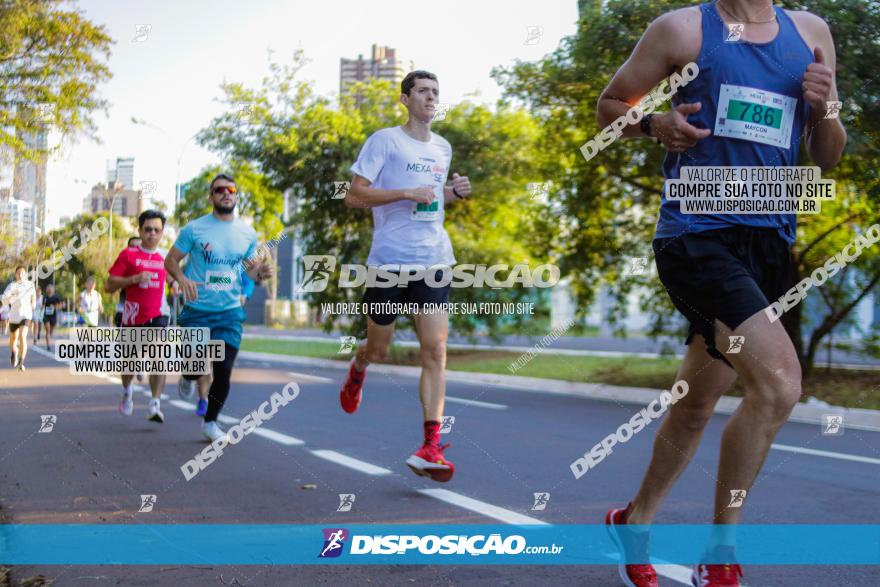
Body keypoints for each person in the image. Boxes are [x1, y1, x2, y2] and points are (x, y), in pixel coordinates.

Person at [596, 2, 846, 586]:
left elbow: (828, 154)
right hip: (696, 235)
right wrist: (652, 124)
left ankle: (634, 520)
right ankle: (722, 551)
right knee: (780, 384)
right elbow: (609, 108)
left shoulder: (811, 34)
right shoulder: (682, 29)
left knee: (696, 404)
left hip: (769, 245)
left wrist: (824, 104)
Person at [338, 70, 472, 483]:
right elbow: (353, 196)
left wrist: (455, 192)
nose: (432, 98)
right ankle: (359, 367)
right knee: (380, 349)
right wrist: (404, 192)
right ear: (405, 99)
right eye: (423, 92)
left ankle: (431, 445)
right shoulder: (385, 141)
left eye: (436, 91)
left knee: (435, 351)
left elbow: (431, 199)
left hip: (433, 259)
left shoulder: (443, 147)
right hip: (388, 262)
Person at [164, 173, 273, 441]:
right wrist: (182, 278)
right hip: (197, 311)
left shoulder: (247, 233)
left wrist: (261, 274)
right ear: (211, 197)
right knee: (195, 367)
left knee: (223, 370)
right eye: (219, 190)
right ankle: (188, 376)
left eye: (231, 189)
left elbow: (249, 271)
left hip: (229, 313)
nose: (226, 193)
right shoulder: (194, 229)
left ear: (236, 196)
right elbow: (170, 260)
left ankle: (210, 422)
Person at [105, 210, 170, 423]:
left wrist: (178, 285)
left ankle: (155, 404)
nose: (152, 234)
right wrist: (134, 278)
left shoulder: (166, 257)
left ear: (162, 233)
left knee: (159, 357)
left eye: (157, 230)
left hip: (159, 314)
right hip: (133, 317)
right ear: (140, 230)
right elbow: (109, 285)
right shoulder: (128, 255)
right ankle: (127, 390)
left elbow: (174, 279)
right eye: (148, 229)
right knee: (130, 363)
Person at [1, 266, 36, 370]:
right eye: (18, 273)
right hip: (14, 316)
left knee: (22, 336)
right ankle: (13, 352)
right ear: (15, 275)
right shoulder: (11, 286)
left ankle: (21, 362)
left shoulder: (30, 285)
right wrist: (11, 296)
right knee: (13, 338)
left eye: (22, 273)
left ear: (25, 274)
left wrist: (33, 303)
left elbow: (33, 296)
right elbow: (4, 299)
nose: (21, 275)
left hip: (26, 315)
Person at [114, 236, 142, 327]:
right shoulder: (122, 264)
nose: (135, 249)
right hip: (124, 310)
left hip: (144, 313)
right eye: (132, 246)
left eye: (138, 247)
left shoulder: (149, 264)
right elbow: (112, 284)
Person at [41, 284, 62, 350]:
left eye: (51, 289)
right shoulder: (45, 297)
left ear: (53, 290)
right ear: (47, 290)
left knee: (50, 331)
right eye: (48, 289)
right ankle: (48, 345)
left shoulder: (56, 297)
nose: (49, 290)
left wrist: (55, 307)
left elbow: (60, 306)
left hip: (53, 316)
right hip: (46, 315)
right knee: (47, 330)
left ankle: (49, 336)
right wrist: (42, 308)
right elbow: (43, 306)